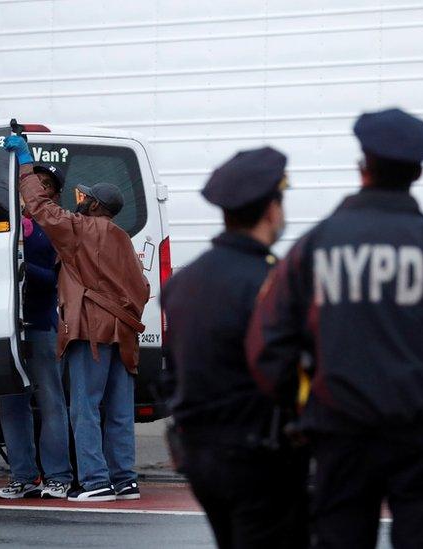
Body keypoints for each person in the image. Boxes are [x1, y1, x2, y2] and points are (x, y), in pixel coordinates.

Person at [246, 108, 423, 549]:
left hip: (339, 434)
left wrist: (304, 410)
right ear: (416, 173)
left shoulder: (312, 249)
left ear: (363, 168)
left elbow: (266, 346)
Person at [161, 146, 307, 549]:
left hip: (200, 457)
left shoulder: (184, 282)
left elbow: (172, 370)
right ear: (271, 209)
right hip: (259, 457)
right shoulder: (273, 283)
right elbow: (288, 372)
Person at [5, 134, 151, 503]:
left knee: (84, 407)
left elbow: (39, 206)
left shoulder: (80, 230)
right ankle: (124, 481)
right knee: (119, 411)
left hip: (90, 332)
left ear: (94, 205)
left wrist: (26, 162)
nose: (78, 201)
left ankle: (95, 481)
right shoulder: (122, 237)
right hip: (125, 334)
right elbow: (143, 288)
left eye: (84, 198)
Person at [0, 164, 73, 500]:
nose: (35, 191)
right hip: (6, 328)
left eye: (45, 186)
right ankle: (23, 475)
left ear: (53, 195)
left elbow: (61, 280)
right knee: (12, 405)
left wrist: (27, 266)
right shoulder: (6, 224)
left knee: (51, 402)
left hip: (41, 325)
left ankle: (58, 475)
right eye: (31, 184)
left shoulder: (56, 228)